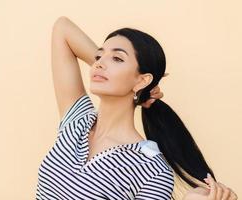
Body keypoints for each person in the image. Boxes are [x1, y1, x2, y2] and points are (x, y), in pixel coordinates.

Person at [35, 16, 238, 200]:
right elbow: (62, 28)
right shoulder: (78, 120)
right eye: (99, 57)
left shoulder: (152, 169)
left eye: (117, 58)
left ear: (143, 79)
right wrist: (133, 83)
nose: (98, 64)